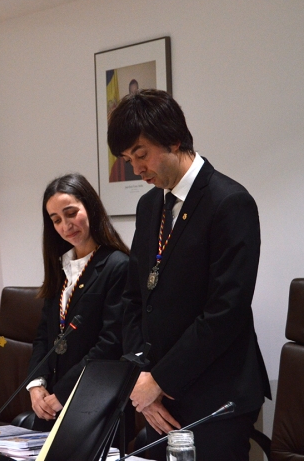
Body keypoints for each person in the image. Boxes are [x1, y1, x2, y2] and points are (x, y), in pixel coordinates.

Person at [107, 90, 271, 461]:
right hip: (156, 395)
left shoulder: (229, 202)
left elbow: (224, 312)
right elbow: (134, 299)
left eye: (141, 154)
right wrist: (140, 378)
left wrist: (160, 380)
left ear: (174, 139)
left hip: (215, 397)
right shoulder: (149, 206)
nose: (136, 169)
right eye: (127, 159)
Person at [27, 173, 129, 431]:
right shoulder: (60, 266)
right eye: (56, 220)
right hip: (51, 405)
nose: (65, 225)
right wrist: (36, 383)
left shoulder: (117, 265)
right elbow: (44, 334)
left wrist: (63, 392)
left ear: (91, 208)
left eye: (71, 213)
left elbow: (110, 343)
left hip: (91, 404)